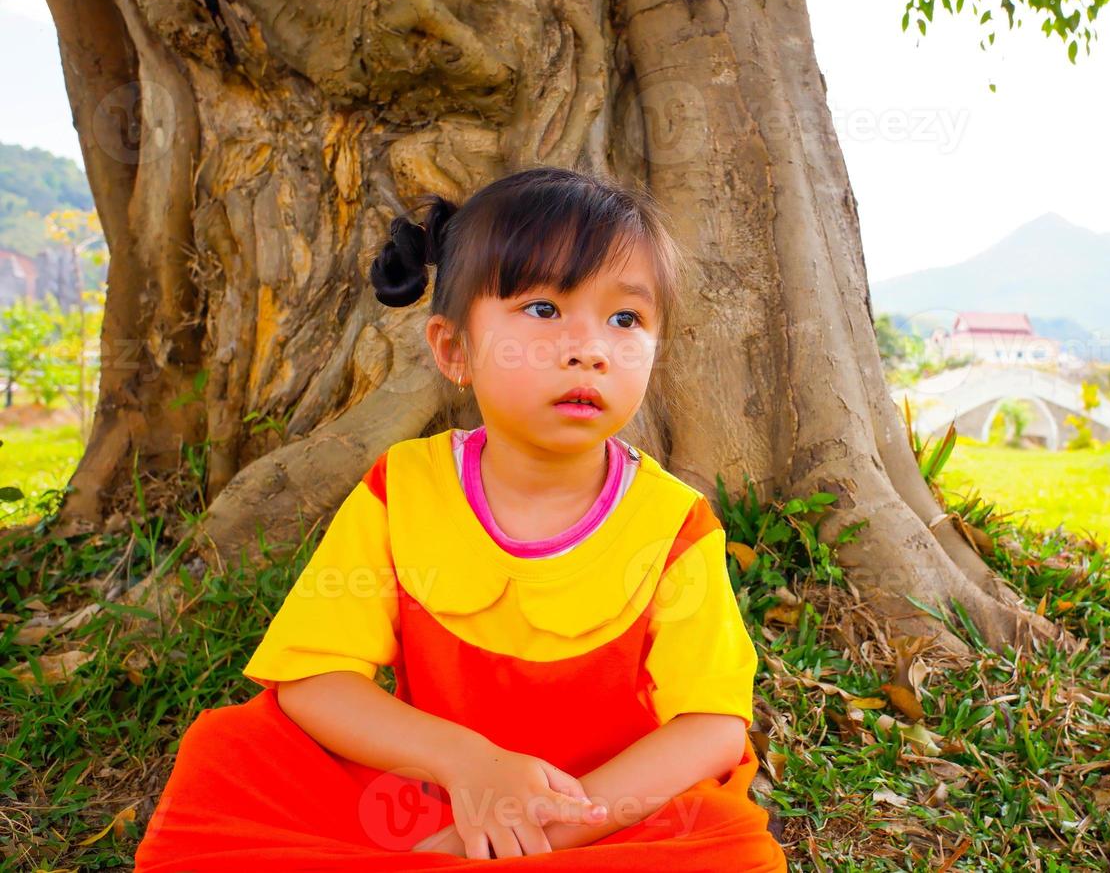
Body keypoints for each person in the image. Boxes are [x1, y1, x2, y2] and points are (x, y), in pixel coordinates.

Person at [133, 166, 788, 871]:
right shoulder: (405, 488)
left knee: (716, 846)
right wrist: (469, 765)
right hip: (433, 789)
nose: (589, 348)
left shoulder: (672, 523)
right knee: (231, 756)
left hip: (598, 816)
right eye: (543, 310)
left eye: (625, 319)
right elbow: (313, 681)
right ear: (454, 351)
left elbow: (711, 729)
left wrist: (534, 833)